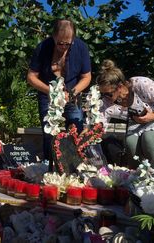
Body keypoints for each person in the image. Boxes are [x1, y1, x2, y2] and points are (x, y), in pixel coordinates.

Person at [27, 19, 91, 170]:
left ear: (73, 39)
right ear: (53, 37)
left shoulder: (81, 47)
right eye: (60, 43)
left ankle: (75, 166)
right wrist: (52, 92)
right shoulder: (42, 47)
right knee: (49, 132)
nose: (63, 47)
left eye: (67, 44)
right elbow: (31, 77)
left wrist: (73, 92)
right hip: (47, 94)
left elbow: (87, 77)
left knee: (76, 128)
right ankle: (50, 167)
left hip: (72, 94)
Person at [96, 59, 154, 167]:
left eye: (108, 94)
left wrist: (151, 117)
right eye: (103, 94)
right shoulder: (106, 102)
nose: (105, 97)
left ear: (119, 87)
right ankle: (136, 177)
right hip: (140, 119)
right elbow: (98, 122)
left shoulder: (141, 84)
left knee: (149, 139)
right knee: (130, 143)